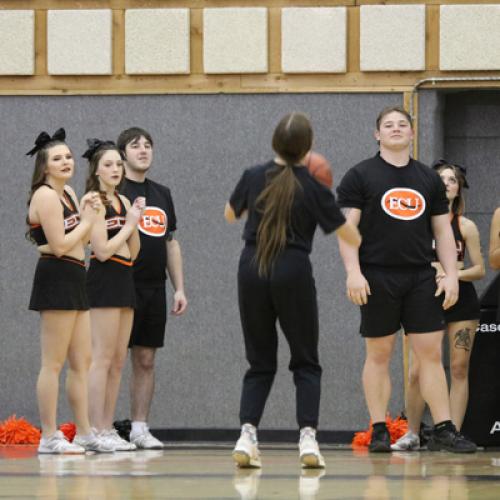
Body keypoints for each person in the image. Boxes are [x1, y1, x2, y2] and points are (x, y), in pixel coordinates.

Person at [336, 106, 477, 453]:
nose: (396, 129)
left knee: (429, 355)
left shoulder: (428, 179)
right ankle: (380, 429)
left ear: (413, 133)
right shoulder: (360, 175)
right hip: (376, 275)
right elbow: (347, 229)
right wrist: (353, 272)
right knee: (379, 354)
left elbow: (443, 232)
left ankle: (444, 428)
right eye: (388, 125)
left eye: (403, 124)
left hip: (420, 277)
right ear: (377, 134)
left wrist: (452, 277)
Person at [225, 112, 361, 468]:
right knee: (305, 361)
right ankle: (308, 440)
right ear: (308, 146)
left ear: (274, 143)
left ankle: (247, 433)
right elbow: (346, 233)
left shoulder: (252, 176)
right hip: (293, 268)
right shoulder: (314, 186)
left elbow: (229, 214)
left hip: (251, 267)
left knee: (259, 361)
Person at [27, 129, 111, 453]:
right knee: (53, 362)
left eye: (69, 157)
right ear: (45, 166)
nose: (66, 162)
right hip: (56, 275)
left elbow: (82, 241)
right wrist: (89, 221)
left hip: (77, 275)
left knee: (82, 361)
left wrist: (94, 212)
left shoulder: (71, 194)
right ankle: (48, 435)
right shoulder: (46, 195)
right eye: (57, 158)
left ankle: (85, 431)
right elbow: (61, 246)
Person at [392, 160, 485, 451]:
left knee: (458, 367)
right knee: (417, 369)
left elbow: (479, 269)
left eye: (452, 180)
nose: (447, 183)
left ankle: (452, 433)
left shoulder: (466, 225)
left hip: (460, 299)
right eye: (441, 178)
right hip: (425, 298)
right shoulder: (417, 222)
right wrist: (433, 269)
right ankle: (412, 433)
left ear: (459, 189)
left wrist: (452, 273)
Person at [118, 127, 188, 449]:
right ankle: (100, 427)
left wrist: (179, 288)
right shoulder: (113, 191)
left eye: (148, 145)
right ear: (122, 154)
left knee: (145, 359)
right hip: (118, 285)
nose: (143, 151)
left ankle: (140, 428)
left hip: (153, 287)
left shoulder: (162, 193)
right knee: (110, 359)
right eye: (136, 146)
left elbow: (171, 244)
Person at [84, 139, 145, 451]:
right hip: (104, 279)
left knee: (119, 360)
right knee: (102, 357)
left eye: (118, 164)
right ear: (96, 170)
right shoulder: (93, 201)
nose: (115, 169)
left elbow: (133, 252)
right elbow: (102, 250)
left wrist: (133, 224)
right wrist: (129, 225)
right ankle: (94, 430)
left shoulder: (122, 201)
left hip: (124, 278)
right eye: (108, 164)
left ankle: (108, 429)